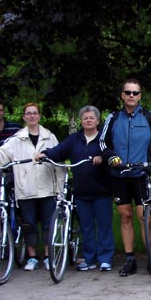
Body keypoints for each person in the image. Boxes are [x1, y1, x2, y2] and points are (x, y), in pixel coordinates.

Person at [99, 78, 151, 277]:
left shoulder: (148, 117)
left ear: (140, 96)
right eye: (128, 92)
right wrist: (111, 157)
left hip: (140, 174)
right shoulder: (113, 117)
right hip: (119, 174)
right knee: (125, 216)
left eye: (135, 93)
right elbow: (102, 143)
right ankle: (130, 259)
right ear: (122, 95)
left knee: (144, 215)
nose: (131, 96)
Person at [0, 103, 65, 271]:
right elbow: (0, 154)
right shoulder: (16, 139)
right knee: (29, 224)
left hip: (47, 188)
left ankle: (47, 256)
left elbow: (58, 163)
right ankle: (32, 257)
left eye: (35, 113)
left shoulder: (50, 137)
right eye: (28, 113)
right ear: (24, 117)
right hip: (26, 188)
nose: (32, 116)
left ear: (39, 116)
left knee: (48, 224)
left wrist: (60, 190)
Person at [37, 106, 116, 272]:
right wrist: (45, 154)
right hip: (81, 191)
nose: (88, 120)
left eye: (91, 118)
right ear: (81, 121)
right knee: (86, 227)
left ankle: (105, 258)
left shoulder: (104, 138)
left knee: (104, 226)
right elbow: (59, 152)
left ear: (97, 120)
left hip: (102, 190)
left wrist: (102, 157)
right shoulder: (74, 139)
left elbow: (112, 153)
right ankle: (89, 258)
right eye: (85, 118)